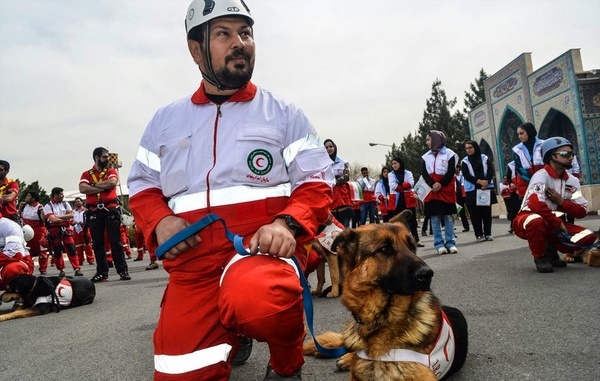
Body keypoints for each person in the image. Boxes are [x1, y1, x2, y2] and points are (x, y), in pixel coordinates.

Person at [127, 1, 334, 379]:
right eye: (224, 33)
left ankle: (287, 361)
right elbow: (141, 186)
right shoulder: (164, 121)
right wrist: (159, 221)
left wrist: (286, 225)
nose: (240, 43)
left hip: (261, 252)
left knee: (258, 298)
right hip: (192, 266)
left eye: (246, 33)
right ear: (196, 49)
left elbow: (317, 183)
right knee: (178, 370)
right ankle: (231, 328)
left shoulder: (284, 113)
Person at [513, 137, 597, 273]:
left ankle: (551, 247)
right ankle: (541, 257)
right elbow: (535, 204)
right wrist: (557, 222)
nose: (570, 158)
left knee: (588, 236)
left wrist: (562, 202)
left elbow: (582, 210)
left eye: (571, 154)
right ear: (551, 156)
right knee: (536, 221)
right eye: (565, 154)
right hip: (527, 219)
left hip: (553, 226)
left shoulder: (572, 181)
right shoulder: (540, 176)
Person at [79, 147, 130, 282]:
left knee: (116, 242)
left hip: (110, 210)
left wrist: (94, 185)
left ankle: (122, 270)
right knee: (98, 244)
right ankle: (102, 273)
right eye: (104, 157)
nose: (107, 159)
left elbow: (112, 182)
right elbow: (82, 188)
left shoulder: (111, 171)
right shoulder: (86, 174)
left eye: (107, 157)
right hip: (94, 212)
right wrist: (103, 186)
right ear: (96, 157)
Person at [421, 131, 458, 254]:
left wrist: (440, 184)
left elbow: (451, 171)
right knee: (434, 217)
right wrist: (433, 184)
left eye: (428, 140)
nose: (427, 142)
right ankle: (439, 244)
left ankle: (451, 243)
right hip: (432, 190)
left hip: (446, 188)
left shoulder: (450, 154)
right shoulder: (425, 157)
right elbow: (424, 173)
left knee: (448, 216)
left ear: (437, 139)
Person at [461, 140, 498, 242]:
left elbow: (490, 171)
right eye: (466, 148)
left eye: (470, 148)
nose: (468, 150)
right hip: (472, 190)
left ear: (475, 147)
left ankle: (488, 233)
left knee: (486, 212)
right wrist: (479, 182)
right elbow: (466, 175)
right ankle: (479, 234)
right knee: (475, 214)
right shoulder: (465, 161)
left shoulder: (484, 158)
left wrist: (486, 181)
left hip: (485, 188)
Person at [44, 187, 82, 277]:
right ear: (55, 195)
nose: (63, 196)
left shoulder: (65, 204)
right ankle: (61, 269)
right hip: (54, 231)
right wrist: (64, 217)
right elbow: (52, 219)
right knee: (57, 250)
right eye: (61, 194)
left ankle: (77, 268)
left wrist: (58, 217)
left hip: (66, 230)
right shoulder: (48, 206)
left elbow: (71, 215)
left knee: (71, 248)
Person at [390, 156, 423, 247]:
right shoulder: (391, 174)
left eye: (396, 163)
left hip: (408, 198)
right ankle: (401, 241)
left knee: (412, 220)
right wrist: (404, 185)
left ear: (400, 163)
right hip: (397, 200)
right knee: (399, 221)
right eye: (393, 164)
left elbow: (411, 184)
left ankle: (416, 239)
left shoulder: (408, 173)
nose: (394, 165)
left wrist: (401, 185)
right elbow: (393, 186)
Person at [18, 190, 50, 274]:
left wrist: (42, 211)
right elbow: (18, 216)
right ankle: (29, 268)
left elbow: (44, 220)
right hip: (26, 231)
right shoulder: (24, 206)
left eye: (28, 196)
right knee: (27, 251)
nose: (26, 198)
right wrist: (20, 208)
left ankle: (43, 268)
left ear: (33, 198)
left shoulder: (39, 207)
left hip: (38, 231)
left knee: (41, 250)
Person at [0, 213, 34, 290]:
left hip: (16, 260)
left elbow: (13, 253)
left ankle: (19, 294)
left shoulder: (9, 226)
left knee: (13, 269)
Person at [324, 139, 353, 228]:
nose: (329, 149)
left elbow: (346, 176)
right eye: (326, 147)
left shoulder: (343, 162)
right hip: (329, 199)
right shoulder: (322, 164)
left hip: (342, 198)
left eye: (331, 146)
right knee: (331, 230)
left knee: (345, 228)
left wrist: (333, 182)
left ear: (334, 147)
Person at [512, 122, 544, 199]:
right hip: (527, 184)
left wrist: (541, 178)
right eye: (518, 134)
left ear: (529, 132)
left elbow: (549, 163)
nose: (519, 136)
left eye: (522, 133)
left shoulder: (543, 144)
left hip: (544, 180)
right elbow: (519, 167)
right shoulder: (517, 149)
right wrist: (532, 180)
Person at [72, 197, 95, 266]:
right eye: (76, 202)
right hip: (76, 229)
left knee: (87, 244)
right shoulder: (72, 212)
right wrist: (74, 222)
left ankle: (90, 259)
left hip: (85, 228)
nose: (77, 203)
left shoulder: (86, 211)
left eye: (78, 201)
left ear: (82, 202)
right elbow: (70, 221)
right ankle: (80, 260)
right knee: (78, 246)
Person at [501, 162, 520, 234]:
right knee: (514, 208)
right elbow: (508, 178)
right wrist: (511, 183)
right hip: (515, 190)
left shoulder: (527, 161)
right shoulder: (511, 165)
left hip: (525, 188)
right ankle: (513, 226)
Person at [454, 165, 470, 232]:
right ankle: (466, 227)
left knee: (471, 209)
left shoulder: (464, 174)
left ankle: (476, 225)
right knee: (462, 212)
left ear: (458, 168)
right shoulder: (453, 176)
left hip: (466, 193)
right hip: (458, 195)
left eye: (456, 168)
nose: (455, 169)